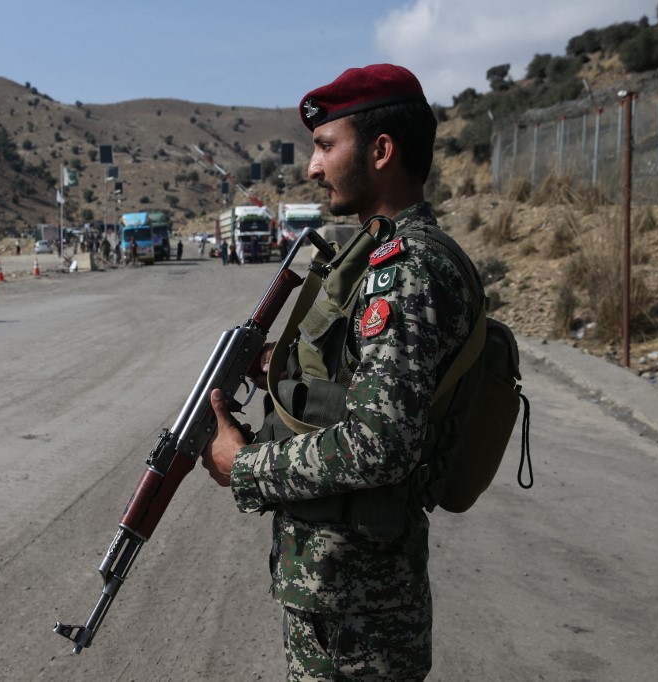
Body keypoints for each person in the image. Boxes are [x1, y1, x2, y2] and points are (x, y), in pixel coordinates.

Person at [201, 64, 478, 680]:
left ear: (381, 151)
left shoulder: (403, 271)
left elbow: (380, 445)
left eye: (326, 146)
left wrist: (242, 466)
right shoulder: (383, 255)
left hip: (361, 621)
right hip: (344, 606)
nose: (312, 167)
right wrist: (275, 365)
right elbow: (364, 384)